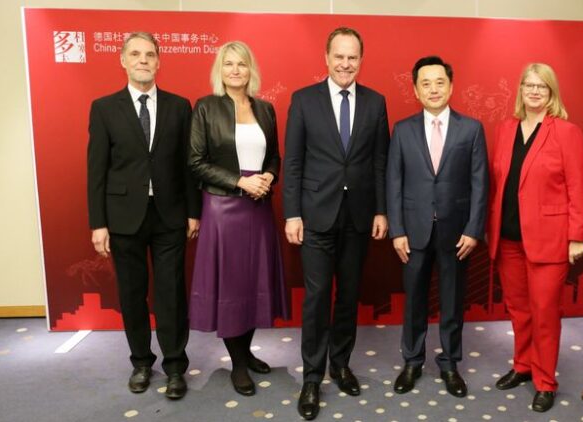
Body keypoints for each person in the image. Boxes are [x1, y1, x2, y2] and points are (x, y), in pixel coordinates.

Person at [283, 27, 390, 420]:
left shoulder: (376, 103)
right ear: (326, 58)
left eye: (353, 57)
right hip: (315, 215)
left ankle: (340, 364)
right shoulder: (304, 100)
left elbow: (380, 161)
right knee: (315, 299)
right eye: (339, 56)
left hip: (359, 215)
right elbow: (292, 162)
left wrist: (381, 210)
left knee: (348, 295)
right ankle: (312, 377)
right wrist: (292, 213)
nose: (346, 64)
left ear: (361, 60)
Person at [87, 31, 200, 399]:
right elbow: (96, 170)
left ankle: (174, 367)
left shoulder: (180, 106)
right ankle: (140, 362)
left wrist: (193, 213)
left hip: (169, 216)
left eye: (150, 54)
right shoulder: (104, 108)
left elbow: (188, 166)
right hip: (122, 218)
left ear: (159, 61)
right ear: (122, 60)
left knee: (170, 294)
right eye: (135, 54)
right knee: (133, 293)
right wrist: (98, 223)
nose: (143, 60)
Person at [188, 41, 288, 396]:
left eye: (241, 64)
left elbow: (275, 157)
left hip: (258, 208)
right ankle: (239, 364)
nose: (235, 70)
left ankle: (246, 351)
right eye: (228, 64)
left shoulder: (265, 109)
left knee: (253, 283)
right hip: (223, 209)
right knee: (231, 286)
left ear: (251, 70)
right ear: (220, 70)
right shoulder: (206, 107)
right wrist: (239, 181)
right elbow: (196, 161)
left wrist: (268, 178)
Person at [486, 63, 583, 412]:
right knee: (519, 310)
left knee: (545, 313)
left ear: (551, 92)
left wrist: (576, 236)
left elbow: (577, 186)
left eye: (541, 86)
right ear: (520, 90)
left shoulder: (566, 132)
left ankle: (545, 381)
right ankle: (523, 366)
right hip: (509, 238)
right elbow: (499, 183)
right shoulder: (505, 129)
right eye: (528, 85)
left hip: (550, 239)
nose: (533, 91)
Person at [387, 56, 488, 399]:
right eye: (425, 83)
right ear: (415, 89)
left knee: (452, 301)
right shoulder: (401, 130)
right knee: (414, 300)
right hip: (412, 232)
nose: (433, 88)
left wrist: (474, 230)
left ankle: (449, 364)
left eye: (440, 82)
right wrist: (397, 230)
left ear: (451, 86)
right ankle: (412, 361)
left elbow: (479, 183)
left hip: (456, 233)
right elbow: (393, 183)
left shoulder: (471, 129)